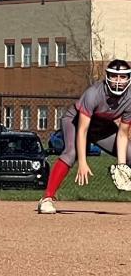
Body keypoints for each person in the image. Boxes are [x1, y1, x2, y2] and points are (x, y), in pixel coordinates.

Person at [37, 59, 131, 214]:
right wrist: (82, 162)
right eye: (114, 76)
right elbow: (82, 131)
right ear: (107, 76)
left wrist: (121, 166)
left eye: (122, 77)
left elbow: (122, 134)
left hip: (101, 127)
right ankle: (47, 198)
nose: (118, 81)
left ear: (129, 78)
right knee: (70, 153)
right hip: (75, 121)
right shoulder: (93, 93)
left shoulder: (130, 98)